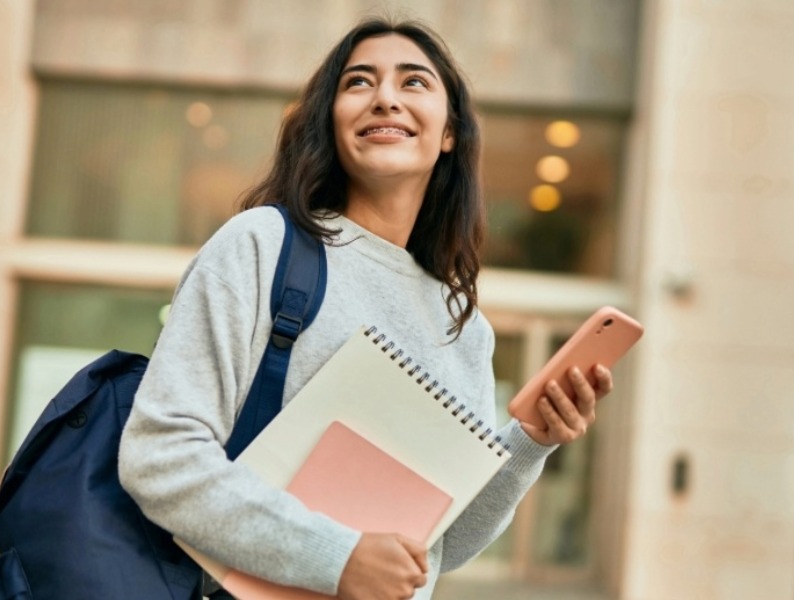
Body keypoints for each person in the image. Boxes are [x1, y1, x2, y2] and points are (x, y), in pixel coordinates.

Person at [119, 17, 614, 600]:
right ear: (331, 121)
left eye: (413, 83)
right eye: (359, 82)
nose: (385, 99)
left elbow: (441, 549)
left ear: (449, 131)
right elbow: (159, 456)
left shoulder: (464, 328)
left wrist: (531, 439)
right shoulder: (262, 245)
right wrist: (336, 556)